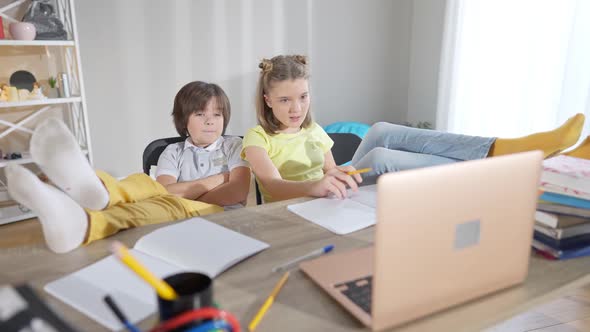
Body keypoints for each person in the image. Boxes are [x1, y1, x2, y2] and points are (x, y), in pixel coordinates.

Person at [242, 54, 585, 203]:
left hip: (330, 195)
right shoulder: (257, 137)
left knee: (379, 130)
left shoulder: (311, 128)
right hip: (300, 203)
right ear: (268, 100)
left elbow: (333, 170)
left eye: (302, 97)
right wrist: (318, 185)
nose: (297, 108)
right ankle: (494, 167)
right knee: (377, 154)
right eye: (285, 100)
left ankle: (504, 147)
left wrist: (333, 177)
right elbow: (272, 185)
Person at [6, 81, 250, 254]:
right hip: (174, 210)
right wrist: (218, 179)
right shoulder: (173, 152)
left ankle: (102, 190)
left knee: (158, 200)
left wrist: (186, 194)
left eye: (217, 115)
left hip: (221, 217)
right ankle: (85, 217)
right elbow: (162, 190)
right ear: (183, 121)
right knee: (144, 198)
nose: (210, 120)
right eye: (200, 114)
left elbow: (237, 193)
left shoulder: (233, 145)